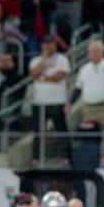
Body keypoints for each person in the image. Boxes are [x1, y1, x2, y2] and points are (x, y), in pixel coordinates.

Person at [29, 35, 70, 164]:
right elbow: (34, 73)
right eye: (45, 44)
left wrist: (44, 78)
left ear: (55, 45)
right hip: (39, 101)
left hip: (57, 101)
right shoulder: (36, 60)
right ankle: (36, 157)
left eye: (50, 43)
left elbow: (60, 75)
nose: (48, 46)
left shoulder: (62, 59)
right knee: (38, 131)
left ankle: (66, 157)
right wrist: (44, 60)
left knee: (61, 130)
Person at [67, 41, 104, 130]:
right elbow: (78, 89)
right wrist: (70, 103)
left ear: (102, 52)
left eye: (96, 51)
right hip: (89, 108)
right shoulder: (84, 69)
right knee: (87, 131)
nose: (94, 53)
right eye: (92, 51)